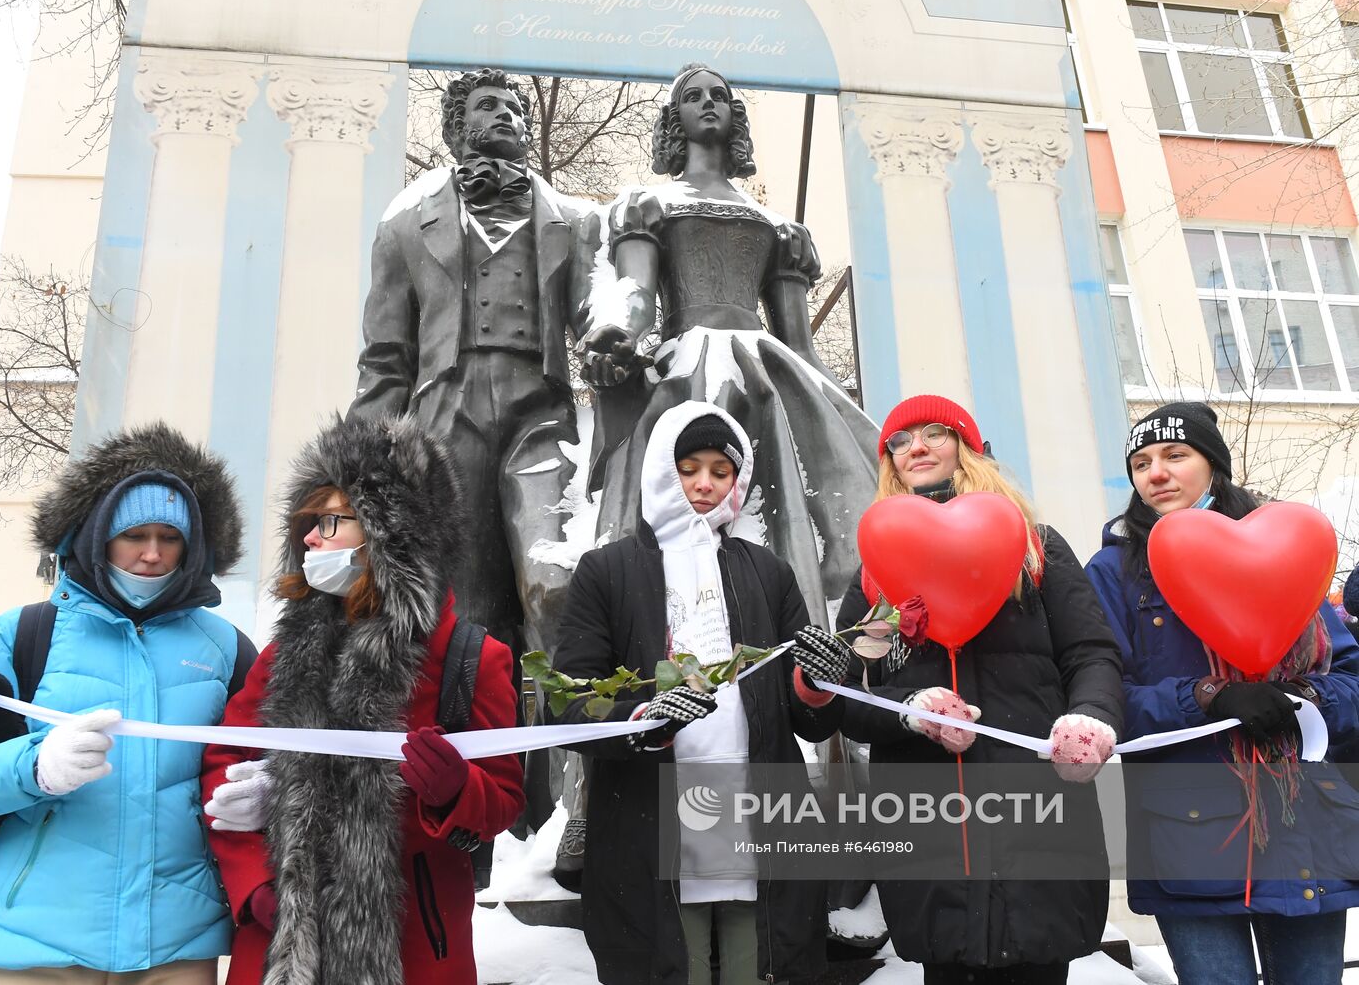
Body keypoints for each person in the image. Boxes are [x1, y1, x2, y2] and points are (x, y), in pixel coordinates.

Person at [202, 414, 525, 985]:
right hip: (282, 939)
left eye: (329, 521)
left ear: (390, 533)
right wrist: (254, 886)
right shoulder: (285, 653)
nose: (309, 538)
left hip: (414, 947)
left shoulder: (473, 658)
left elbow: (501, 802)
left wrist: (454, 791)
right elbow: (223, 764)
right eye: (307, 522)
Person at [549, 400, 850, 985]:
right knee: (670, 968)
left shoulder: (768, 572)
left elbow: (808, 720)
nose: (705, 485)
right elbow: (567, 701)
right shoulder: (607, 572)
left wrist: (816, 684)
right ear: (661, 469)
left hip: (757, 819)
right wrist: (642, 720)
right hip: (650, 825)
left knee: (757, 967)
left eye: (721, 471)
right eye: (690, 468)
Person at [835, 394, 1124, 985]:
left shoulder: (1035, 547)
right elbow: (850, 693)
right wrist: (908, 712)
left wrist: (1091, 717)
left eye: (933, 432)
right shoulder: (875, 571)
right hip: (927, 827)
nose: (915, 447)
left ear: (967, 447)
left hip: (1037, 814)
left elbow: (1090, 653)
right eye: (899, 440)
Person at [581, 62, 878, 626]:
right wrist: (619, 330)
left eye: (720, 95)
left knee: (789, 511)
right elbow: (638, 292)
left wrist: (851, 422)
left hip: (766, 373)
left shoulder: (781, 229)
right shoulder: (649, 206)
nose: (709, 102)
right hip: (687, 366)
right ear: (675, 119)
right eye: (693, 96)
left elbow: (799, 343)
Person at [0, 424, 253, 983]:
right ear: (95, 536)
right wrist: (35, 768)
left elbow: (260, 764)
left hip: (175, 950)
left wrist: (263, 793)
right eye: (133, 535)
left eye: (170, 537)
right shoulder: (19, 635)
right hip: (32, 947)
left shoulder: (227, 649)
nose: (151, 554)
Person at [1085, 401, 1359, 985]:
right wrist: (1208, 696)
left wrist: (1303, 697)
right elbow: (1102, 696)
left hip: (1305, 825)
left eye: (1175, 455)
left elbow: (1353, 681)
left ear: (1213, 464)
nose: (1155, 472)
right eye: (1140, 462)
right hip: (1191, 835)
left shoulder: (1286, 551)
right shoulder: (1115, 571)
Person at [349, 66, 599, 657]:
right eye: (489, 106)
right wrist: (355, 462)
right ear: (458, 128)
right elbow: (386, 358)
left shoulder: (577, 220)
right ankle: (467, 743)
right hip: (443, 419)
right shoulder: (406, 222)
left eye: (515, 108)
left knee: (553, 583)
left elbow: (597, 315)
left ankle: (560, 745)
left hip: (541, 419)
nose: (508, 114)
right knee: (461, 601)